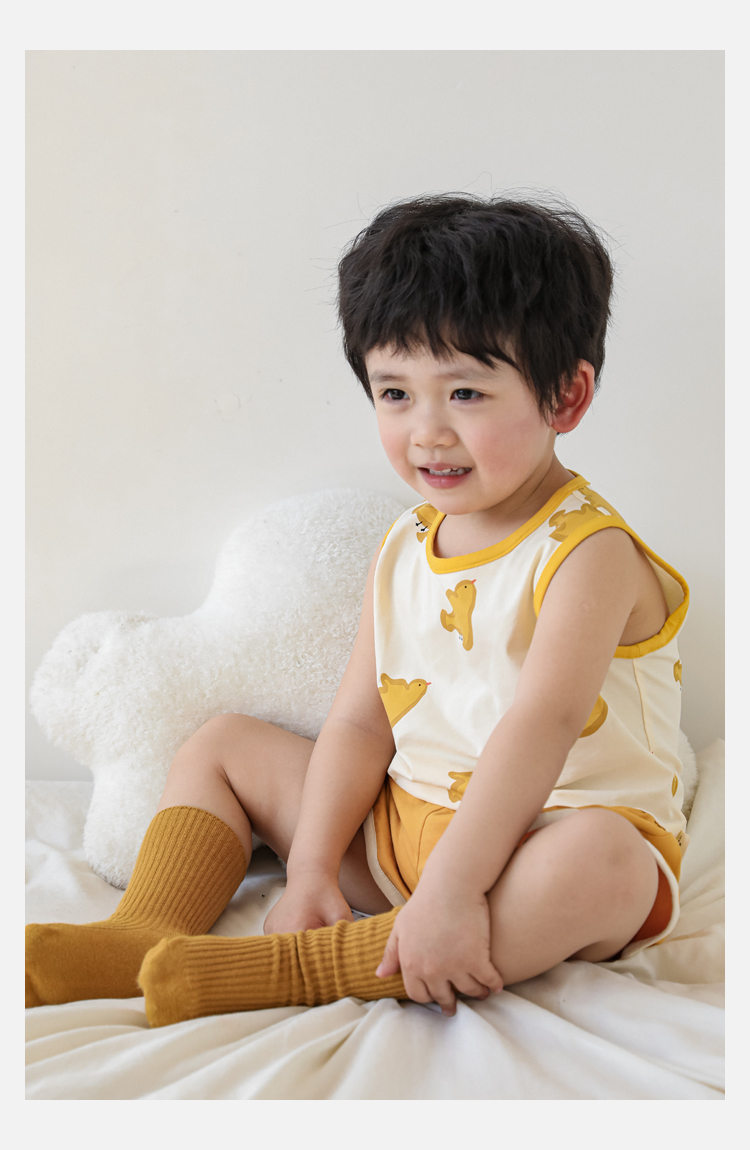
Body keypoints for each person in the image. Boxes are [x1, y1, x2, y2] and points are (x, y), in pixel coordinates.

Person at [26, 194, 689, 1027]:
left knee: (605, 862)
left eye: (466, 393)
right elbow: (357, 725)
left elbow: (542, 726)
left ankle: (301, 969)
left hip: (540, 843)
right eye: (395, 393)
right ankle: (144, 932)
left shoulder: (589, 553)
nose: (428, 432)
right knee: (222, 743)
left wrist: (453, 890)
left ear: (566, 397)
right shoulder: (405, 543)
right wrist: (309, 871)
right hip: (405, 835)